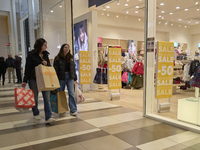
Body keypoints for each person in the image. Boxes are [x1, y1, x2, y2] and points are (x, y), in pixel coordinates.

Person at [21, 38, 55, 124]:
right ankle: (35, 113)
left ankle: (49, 116)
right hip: (33, 79)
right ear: (40, 45)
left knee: (47, 98)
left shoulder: (46, 55)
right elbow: (28, 68)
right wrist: (25, 80)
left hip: (45, 79)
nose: (46, 47)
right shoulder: (31, 55)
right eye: (45, 45)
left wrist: (46, 64)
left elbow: (49, 67)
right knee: (35, 98)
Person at [53, 44, 78, 116]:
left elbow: (73, 69)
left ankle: (73, 110)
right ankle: (61, 109)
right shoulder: (57, 58)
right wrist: (55, 79)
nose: (67, 49)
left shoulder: (71, 57)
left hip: (69, 77)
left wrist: (75, 79)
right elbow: (55, 70)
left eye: (68, 48)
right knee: (61, 93)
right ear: (62, 48)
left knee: (71, 93)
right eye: (65, 47)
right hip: (61, 77)